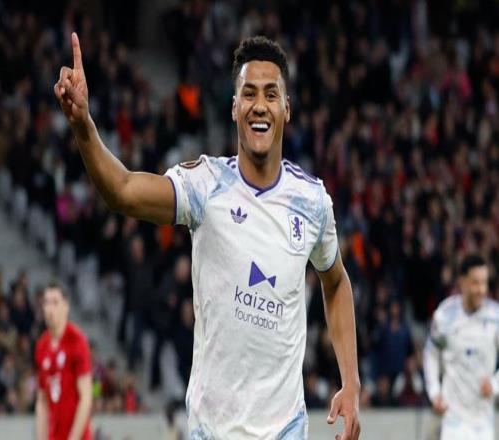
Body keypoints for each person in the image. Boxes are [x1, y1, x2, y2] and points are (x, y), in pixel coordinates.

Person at [54, 32, 360, 439]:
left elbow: (335, 282)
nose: (260, 105)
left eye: (271, 94)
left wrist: (351, 382)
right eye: (249, 93)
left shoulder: (312, 201)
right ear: (234, 108)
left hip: (285, 429)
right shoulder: (206, 185)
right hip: (211, 429)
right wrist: (83, 126)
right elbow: (123, 191)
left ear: (286, 108)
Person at [423, 255, 499, 440]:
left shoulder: (495, 318)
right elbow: (430, 354)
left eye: (484, 283)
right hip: (453, 419)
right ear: (462, 282)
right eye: (475, 283)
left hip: (482, 420)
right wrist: (434, 392)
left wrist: (495, 384)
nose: (481, 289)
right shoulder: (445, 315)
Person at [35, 283, 92, 440]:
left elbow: (86, 397)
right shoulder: (42, 345)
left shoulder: (77, 341)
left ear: (66, 307)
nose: (49, 309)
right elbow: (42, 400)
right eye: (46, 302)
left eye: (55, 302)